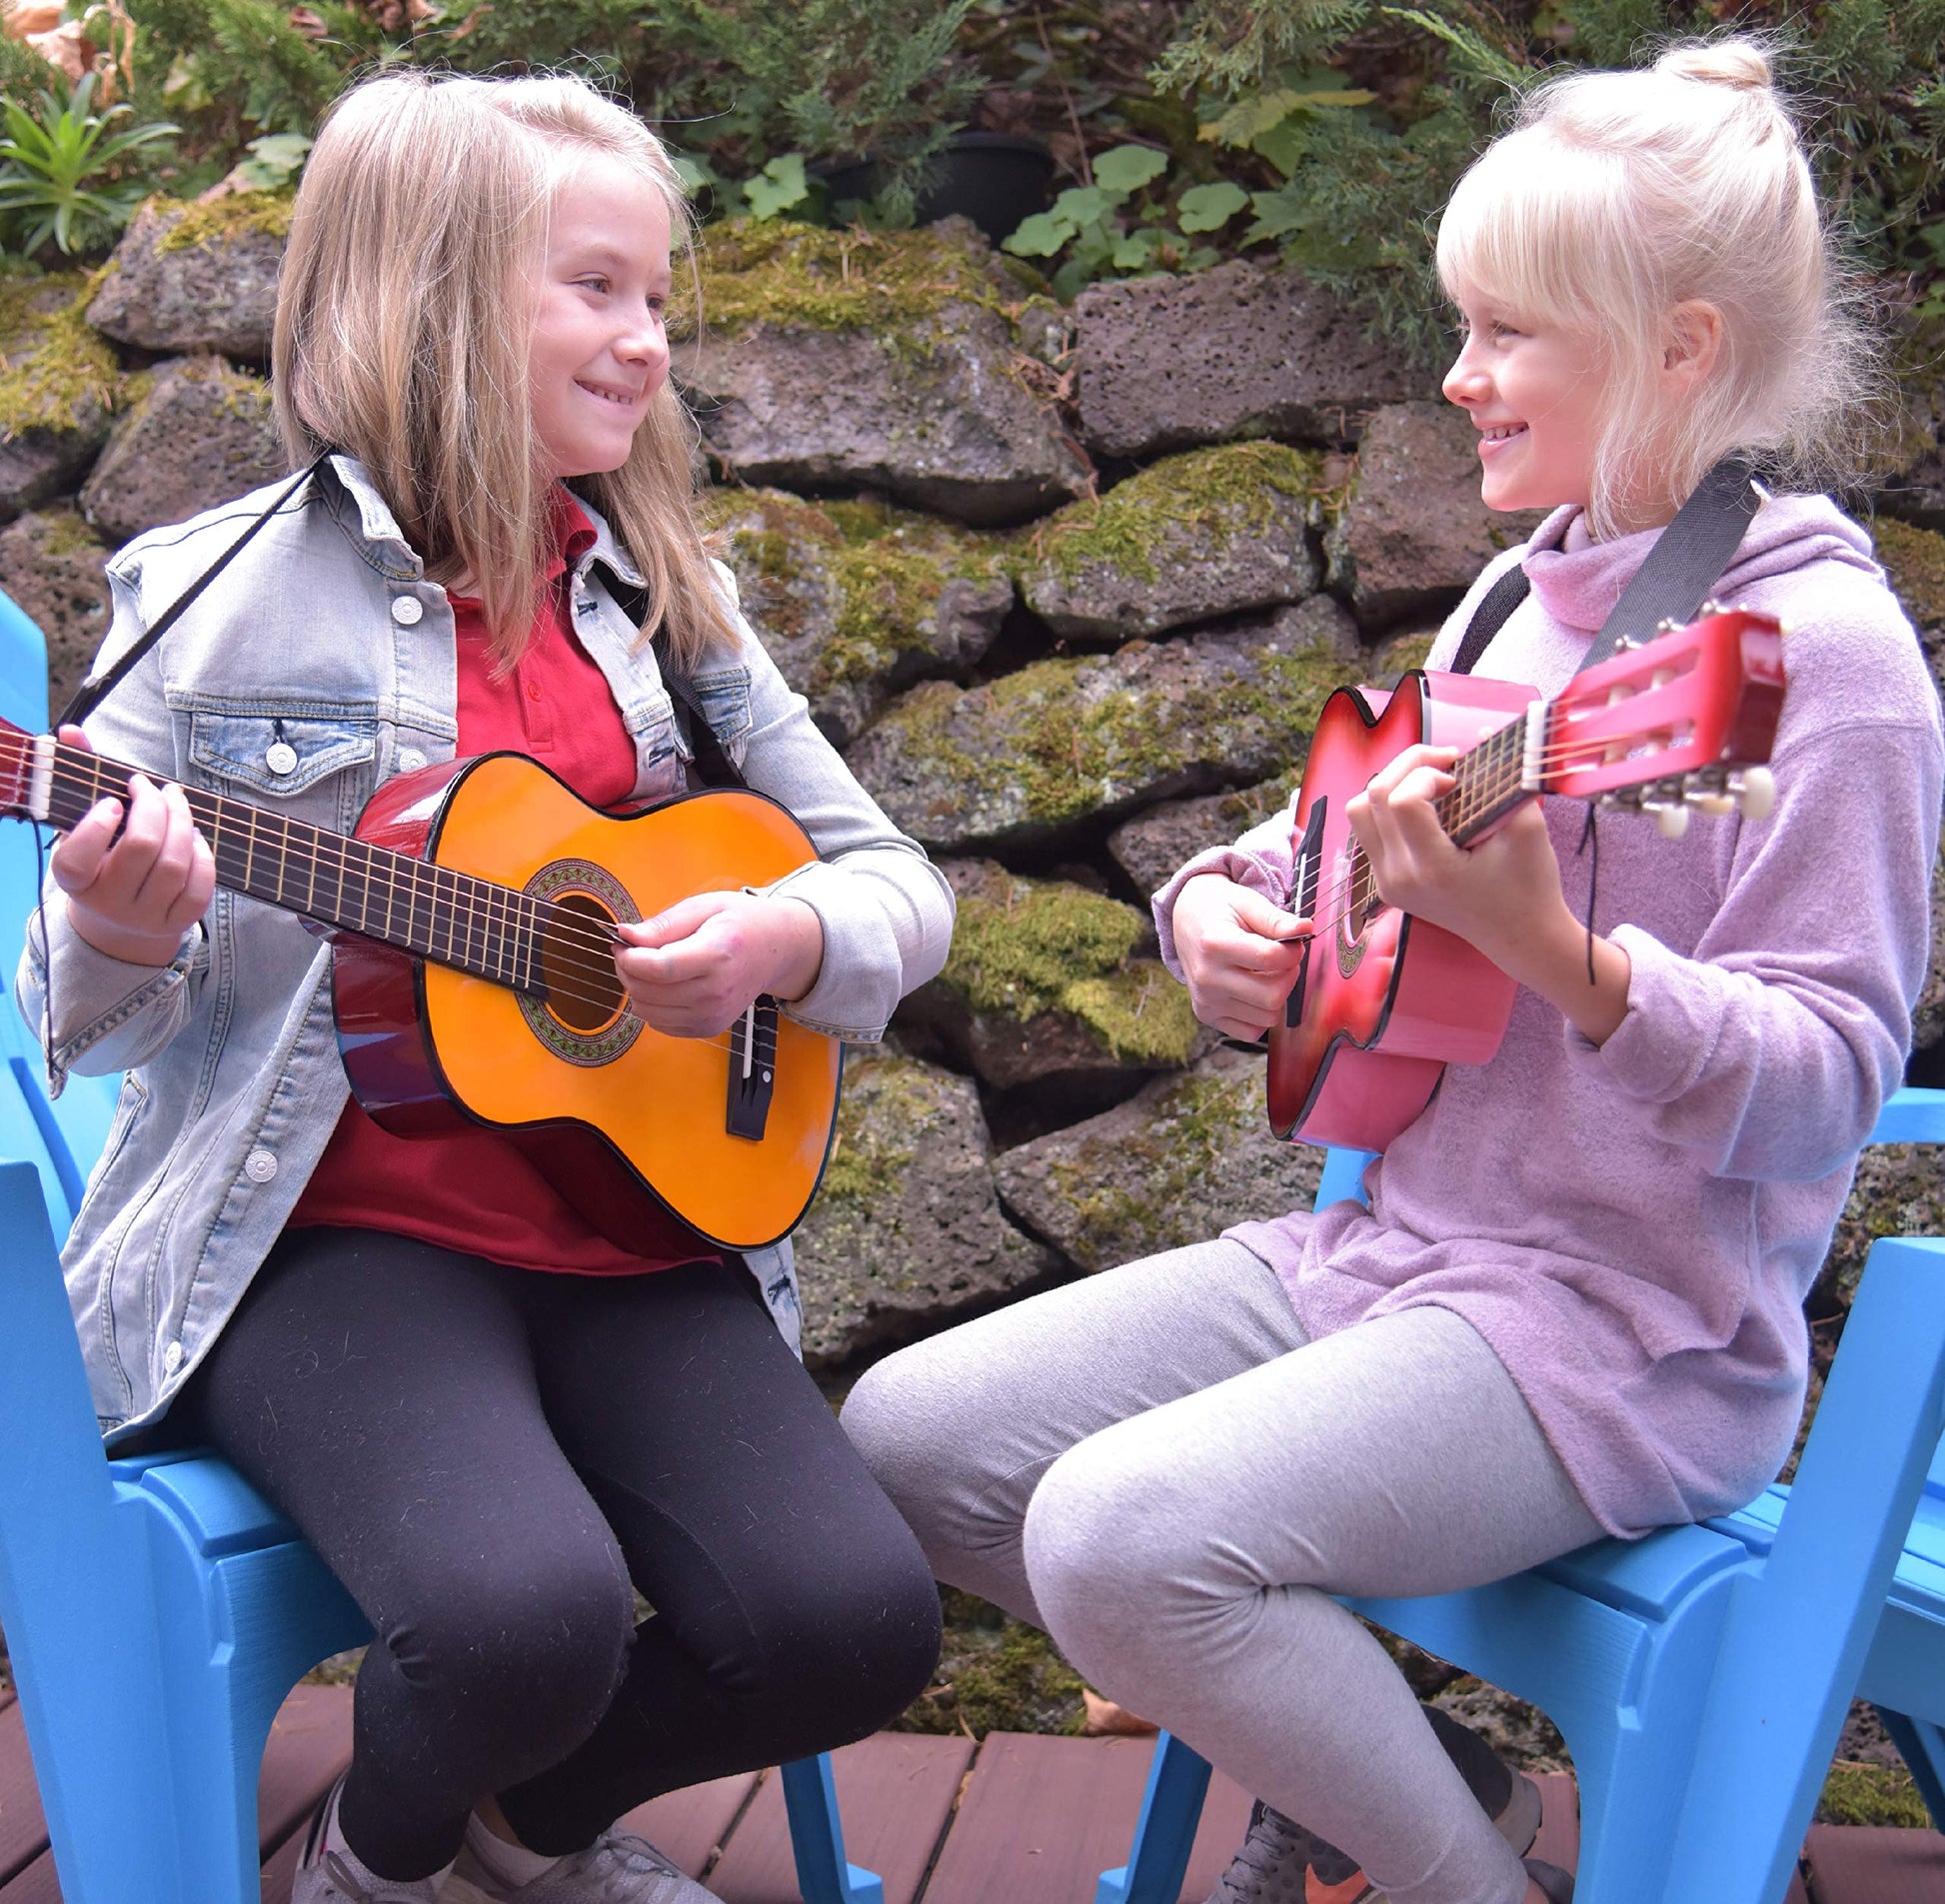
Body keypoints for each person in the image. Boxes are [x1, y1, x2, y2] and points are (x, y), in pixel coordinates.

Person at [842, 37, 1944, 1904]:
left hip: (1621, 1336)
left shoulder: (1822, 664)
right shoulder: (1519, 596)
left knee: (1121, 1540)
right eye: (1465, 325)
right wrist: (1216, 907)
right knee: (903, 1448)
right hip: (1378, 1253)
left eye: (1509, 332)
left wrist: (1569, 961)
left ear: (1678, 347)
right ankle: (1439, 1792)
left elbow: (1831, 1076)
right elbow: (1339, 839)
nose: (1459, 377)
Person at [18, 69, 954, 1904]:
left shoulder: (664, 600)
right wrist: (124, 918)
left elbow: (896, 886)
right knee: (516, 1612)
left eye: (659, 302)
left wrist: (784, 941)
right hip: (328, 1239)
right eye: (597, 290)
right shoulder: (211, 596)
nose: (647, 345)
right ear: (432, 293)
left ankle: (523, 1826)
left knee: (853, 1621)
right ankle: (373, 1868)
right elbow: (87, 1023)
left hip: (630, 1220)